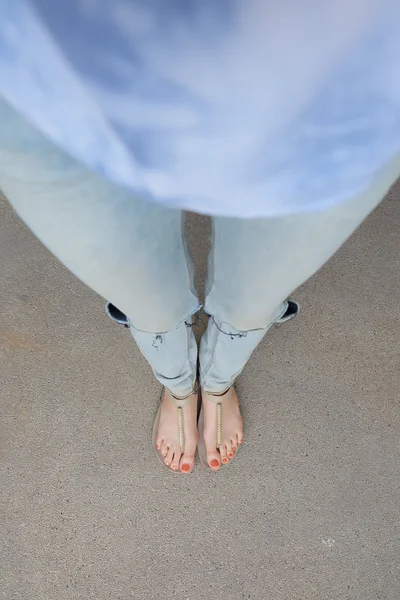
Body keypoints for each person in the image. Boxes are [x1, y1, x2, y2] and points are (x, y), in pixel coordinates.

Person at [1, 1, 399, 474]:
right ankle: (179, 384)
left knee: (258, 289)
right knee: (137, 287)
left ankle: (216, 381)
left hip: (337, 69)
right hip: (52, 70)